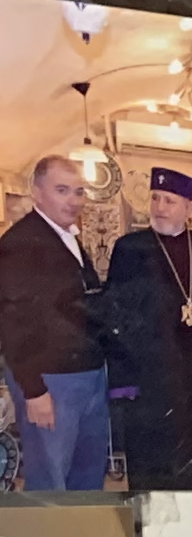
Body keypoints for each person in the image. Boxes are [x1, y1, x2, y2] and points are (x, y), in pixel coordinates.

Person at [100, 165, 192, 488]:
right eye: (155, 198)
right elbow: (114, 315)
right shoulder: (129, 249)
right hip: (150, 376)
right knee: (154, 465)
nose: (159, 207)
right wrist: (122, 380)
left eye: (169, 201)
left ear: (189, 208)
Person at [0, 154, 107, 493]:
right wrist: (33, 390)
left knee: (87, 480)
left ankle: (81, 531)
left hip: (85, 375)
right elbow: (12, 320)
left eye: (79, 192)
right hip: (50, 382)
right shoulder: (20, 244)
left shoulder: (66, 236)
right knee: (50, 484)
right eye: (62, 190)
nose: (73, 200)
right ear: (36, 192)